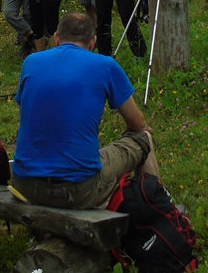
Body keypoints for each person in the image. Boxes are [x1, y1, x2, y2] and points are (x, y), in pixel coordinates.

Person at [10, 12, 159, 209]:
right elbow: (138, 124)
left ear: (56, 38)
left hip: (25, 185)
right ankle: (155, 209)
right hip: (77, 190)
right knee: (143, 138)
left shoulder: (31, 62)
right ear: (93, 42)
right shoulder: (105, 65)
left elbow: (29, 112)